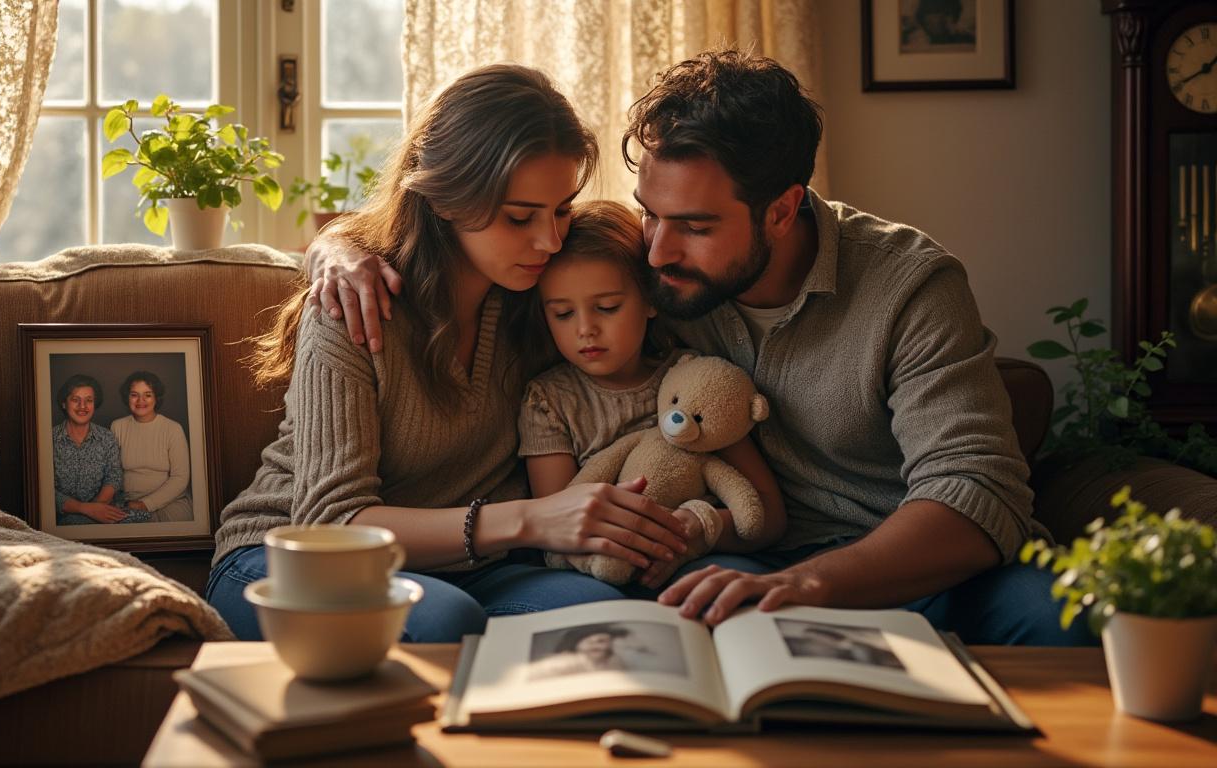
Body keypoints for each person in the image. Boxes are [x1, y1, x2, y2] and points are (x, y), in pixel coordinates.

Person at [307, 50, 1095, 646]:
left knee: (1059, 619)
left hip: (912, 563)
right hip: (746, 556)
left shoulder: (910, 285)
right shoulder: (644, 278)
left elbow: (974, 495)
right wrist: (335, 247)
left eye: (695, 227)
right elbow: (465, 226)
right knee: (689, 622)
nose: (657, 250)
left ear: (783, 211)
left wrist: (806, 584)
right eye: (650, 212)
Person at [207, 63, 692, 643]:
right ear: (447, 196)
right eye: (519, 217)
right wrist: (532, 520)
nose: (550, 240)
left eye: (561, 208)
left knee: (609, 614)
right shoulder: (354, 303)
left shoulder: (539, 298)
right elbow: (329, 523)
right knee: (444, 621)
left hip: (472, 567)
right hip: (287, 560)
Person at [518, 199, 787, 590]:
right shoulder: (548, 401)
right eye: (562, 314)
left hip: (703, 556)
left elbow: (768, 516)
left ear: (650, 301)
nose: (585, 330)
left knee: (739, 590)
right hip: (597, 570)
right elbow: (555, 529)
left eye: (607, 307)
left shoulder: (691, 379)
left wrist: (697, 530)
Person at [109, 370, 193, 523]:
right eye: (134, 395)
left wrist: (145, 504)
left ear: (156, 398)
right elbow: (111, 472)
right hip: (128, 503)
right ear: (127, 398)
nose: (140, 400)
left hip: (170, 503)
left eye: (147, 395)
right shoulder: (117, 426)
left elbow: (180, 478)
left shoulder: (173, 429)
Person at [53, 374, 124, 526]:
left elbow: (114, 476)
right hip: (62, 517)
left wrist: (98, 507)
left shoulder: (107, 437)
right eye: (75, 400)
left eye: (89, 400)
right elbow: (45, 490)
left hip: (105, 511)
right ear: (64, 403)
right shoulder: (48, 439)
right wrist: (85, 509)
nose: (82, 406)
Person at [527, 624, 630, 679]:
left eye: (602, 641)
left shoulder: (616, 661)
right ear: (575, 644)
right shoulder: (561, 662)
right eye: (588, 641)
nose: (595, 644)